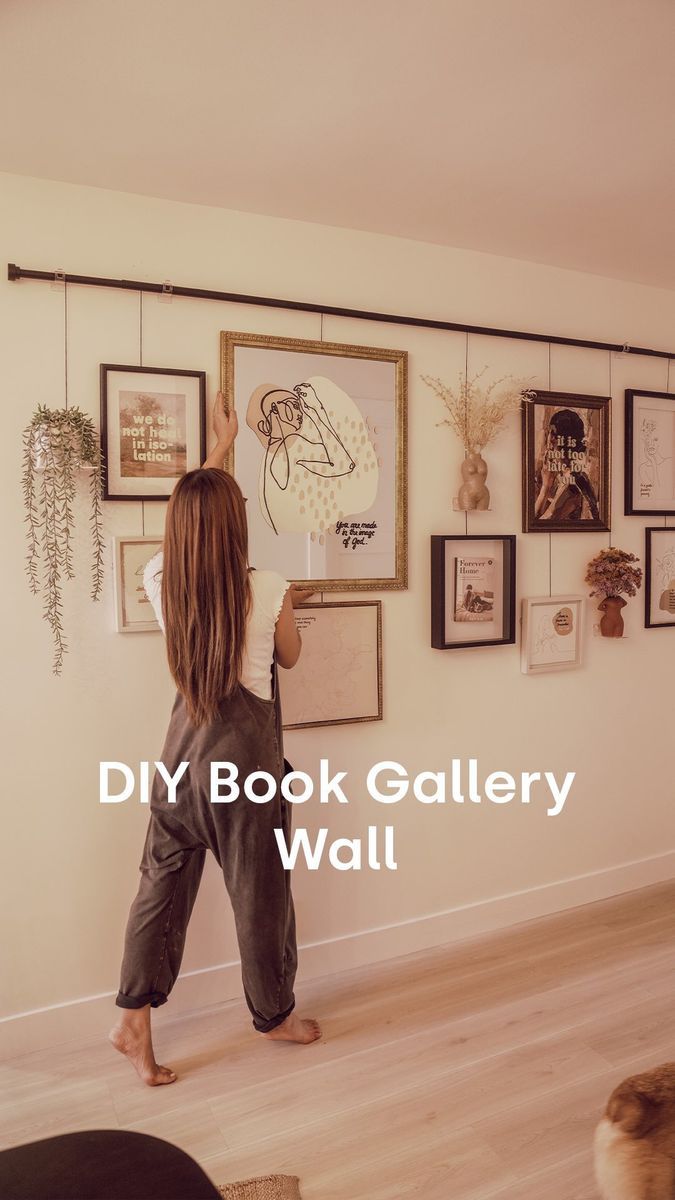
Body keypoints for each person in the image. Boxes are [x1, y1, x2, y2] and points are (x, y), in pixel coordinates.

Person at [109, 393, 321, 1087]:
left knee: (159, 892)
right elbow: (287, 658)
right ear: (239, 525)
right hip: (244, 772)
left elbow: (193, 522)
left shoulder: (160, 580)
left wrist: (218, 454)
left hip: (180, 764)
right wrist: (287, 609)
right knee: (259, 895)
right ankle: (274, 1015)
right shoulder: (270, 587)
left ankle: (134, 1017)